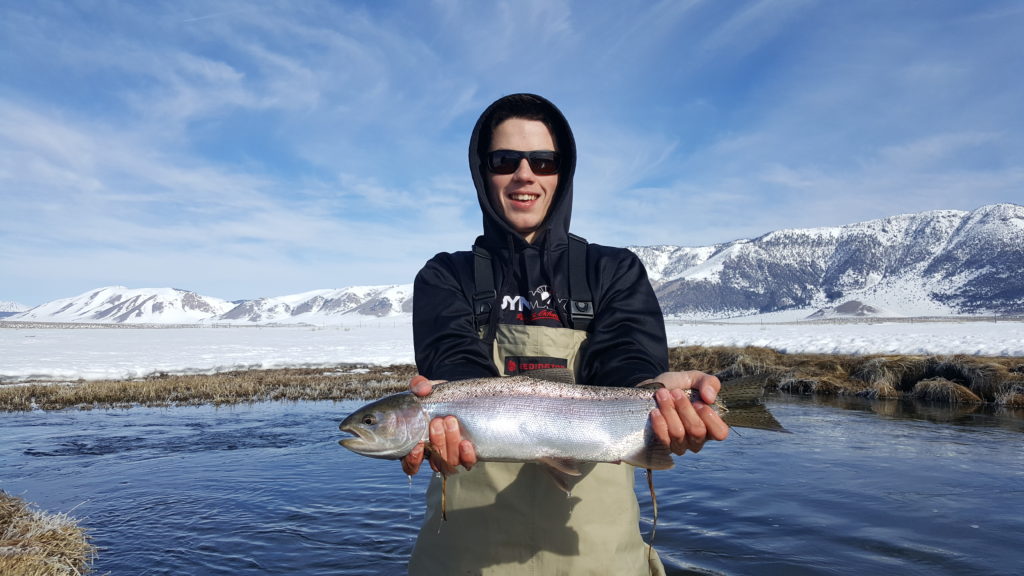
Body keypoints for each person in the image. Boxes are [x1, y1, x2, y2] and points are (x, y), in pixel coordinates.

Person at [401, 93, 729, 575]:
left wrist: (653, 393)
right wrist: (446, 427)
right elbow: (454, 364)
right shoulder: (446, 277)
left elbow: (626, 357)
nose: (524, 174)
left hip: (598, 557)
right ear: (482, 171)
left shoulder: (612, 270)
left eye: (544, 161)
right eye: (504, 160)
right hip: (467, 562)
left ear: (563, 172)